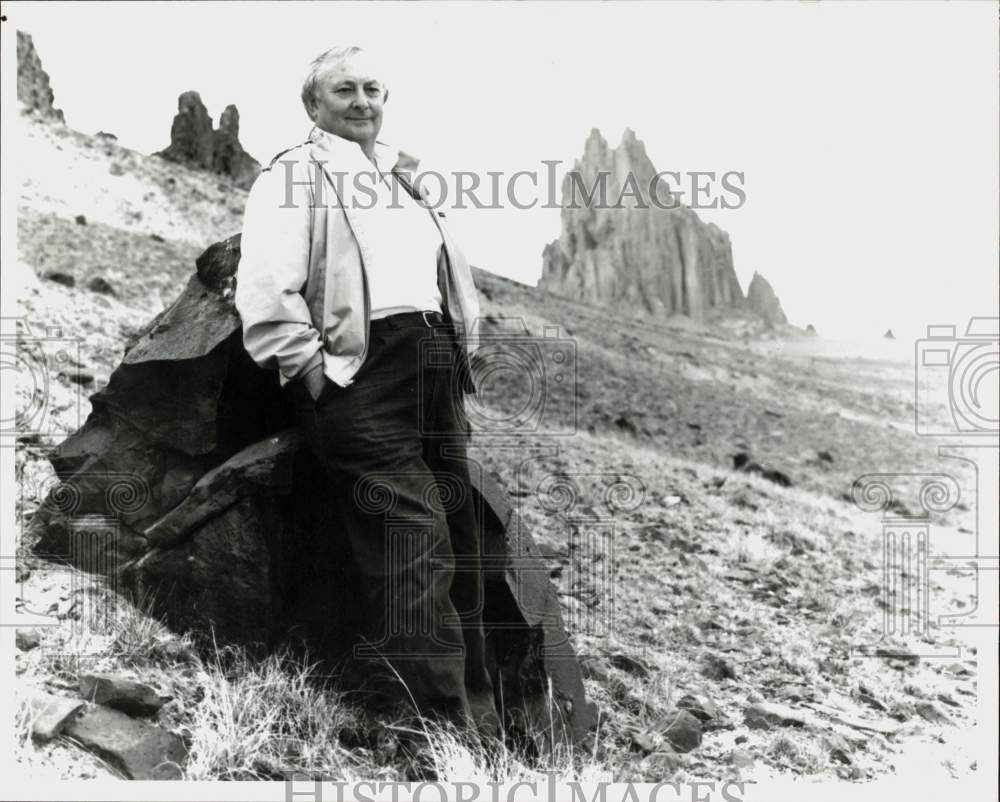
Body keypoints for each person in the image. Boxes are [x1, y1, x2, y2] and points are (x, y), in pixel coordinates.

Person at [234, 45, 498, 741]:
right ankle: (434, 733)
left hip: (434, 369)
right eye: (343, 90)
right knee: (413, 537)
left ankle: (481, 724)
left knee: (463, 538)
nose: (361, 101)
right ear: (313, 106)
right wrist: (317, 374)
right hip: (363, 374)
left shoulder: (403, 180)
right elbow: (266, 291)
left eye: (372, 88)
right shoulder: (293, 175)